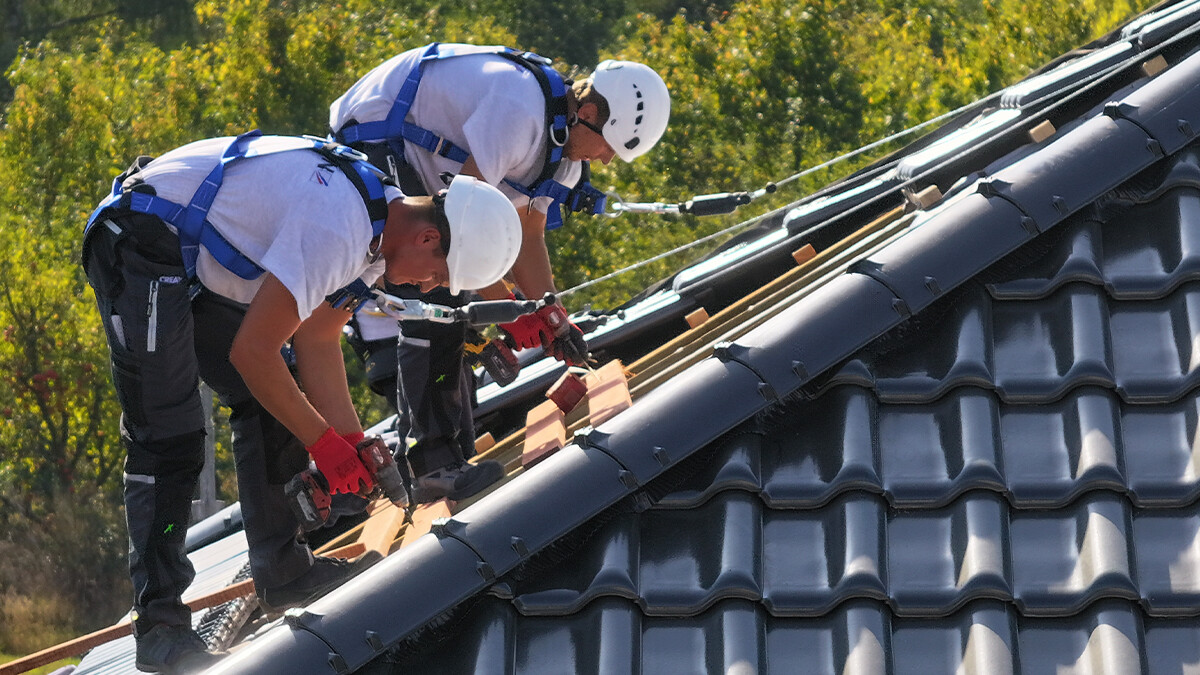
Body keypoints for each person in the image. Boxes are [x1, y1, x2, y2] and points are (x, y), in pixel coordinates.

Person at [81, 131, 521, 674]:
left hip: (187, 260)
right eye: (438, 275)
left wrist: (353, 444)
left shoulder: (377, 231)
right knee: (169, 438)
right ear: (430, 238)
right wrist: (325, 445)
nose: (427, 285)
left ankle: (284, 571)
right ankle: (161, 627)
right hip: (140, 241)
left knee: (276, 399)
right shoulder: (339, 226)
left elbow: (316, 340)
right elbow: (252, 352)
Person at [329, 43, 670, 504]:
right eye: (609, 146)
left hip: (439, 178)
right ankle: (433, 465)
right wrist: (510, 309)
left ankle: (450, 454)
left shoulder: (566, 158)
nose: (606, 161)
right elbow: (462, 228)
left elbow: (529, 236)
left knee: (458, 297)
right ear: (587, 111)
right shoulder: (519, 110)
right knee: (437, 296)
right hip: (374, 133)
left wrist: (551, 315)